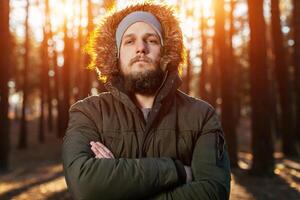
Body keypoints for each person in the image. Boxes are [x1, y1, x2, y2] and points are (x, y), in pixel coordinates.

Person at [62, 2, 231, 200]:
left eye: (151, 40)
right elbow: (84, 186)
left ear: (165, 52)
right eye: (129, 41)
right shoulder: (89, 113)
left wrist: (115, 186)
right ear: (116, 54)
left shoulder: (201, 116)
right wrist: (177, 171)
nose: (141, 48)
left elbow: (213, 193)